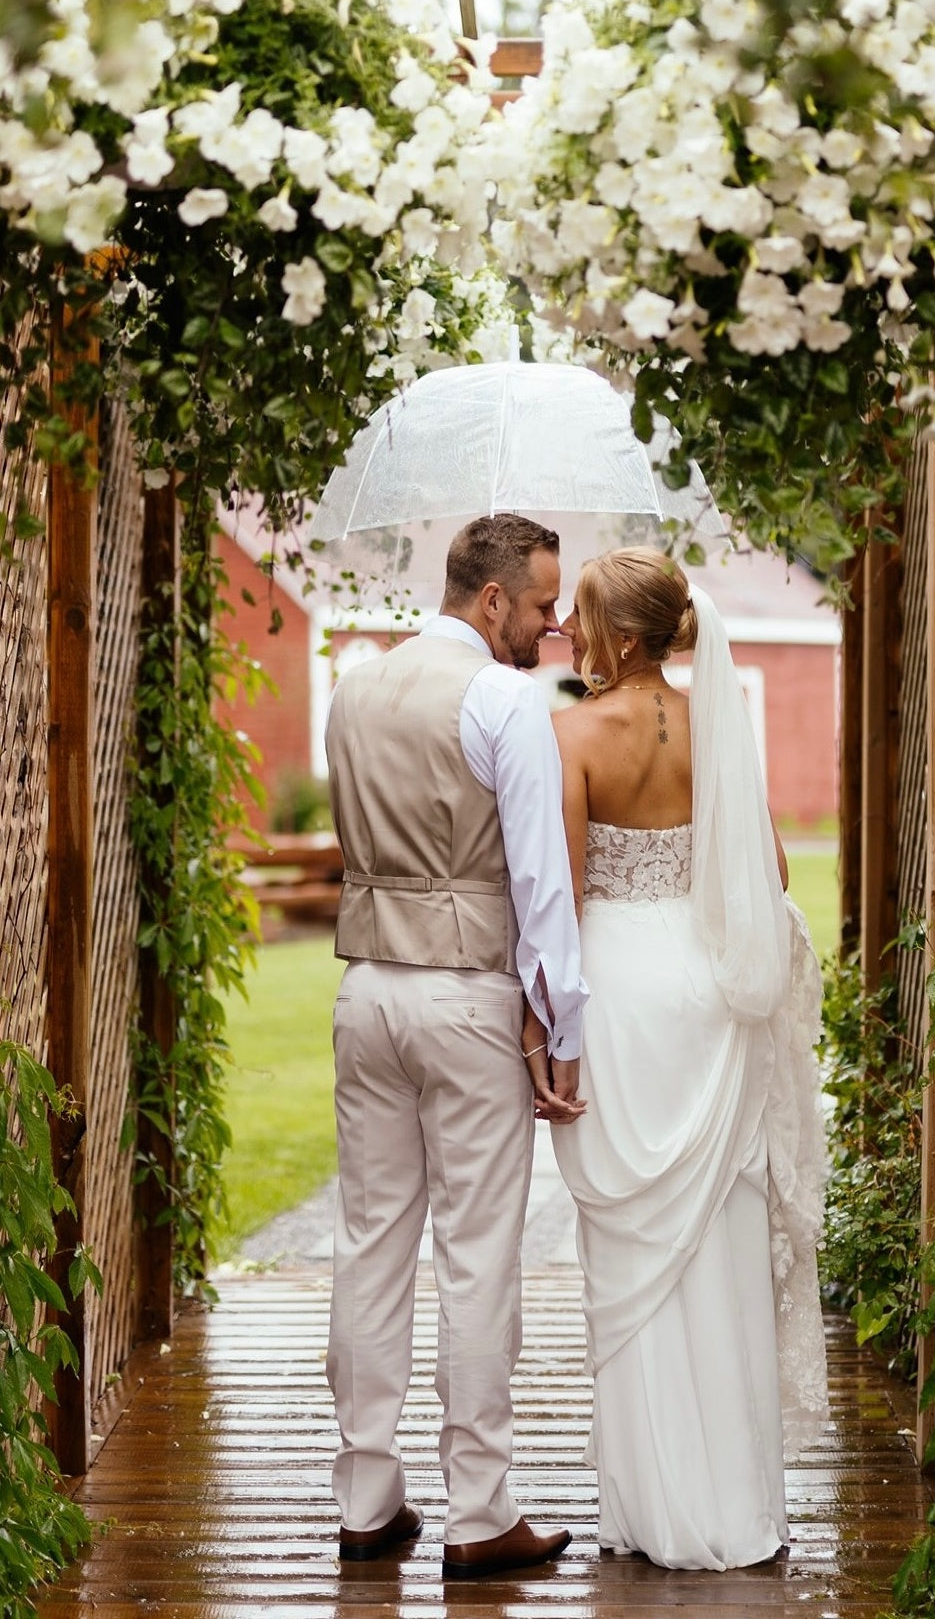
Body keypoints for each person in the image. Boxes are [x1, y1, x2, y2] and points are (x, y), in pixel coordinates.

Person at [539, 546, 829, 1572]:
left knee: (633, 1254)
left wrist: (545, 1036)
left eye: (577, 616)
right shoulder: (719, 725)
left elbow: (562, 903)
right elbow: (774, 868)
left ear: (620, 636)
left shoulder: (570, 730)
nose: (566, 633)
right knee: (721, 1245)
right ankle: (740, 1505)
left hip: (620, 993)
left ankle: (651, 1508)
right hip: (706, 991)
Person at [323, 513, 587, 1580]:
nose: (552, 623)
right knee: (476, 1253)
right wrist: (559, 1025)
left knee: (370, 1239)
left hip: (364, 992)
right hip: (467, 997)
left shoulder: (353, 687)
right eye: (539, 603)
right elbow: (540, 880)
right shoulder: (502, 698)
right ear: (490, 601)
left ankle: (365, 1497)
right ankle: (480, 1512)